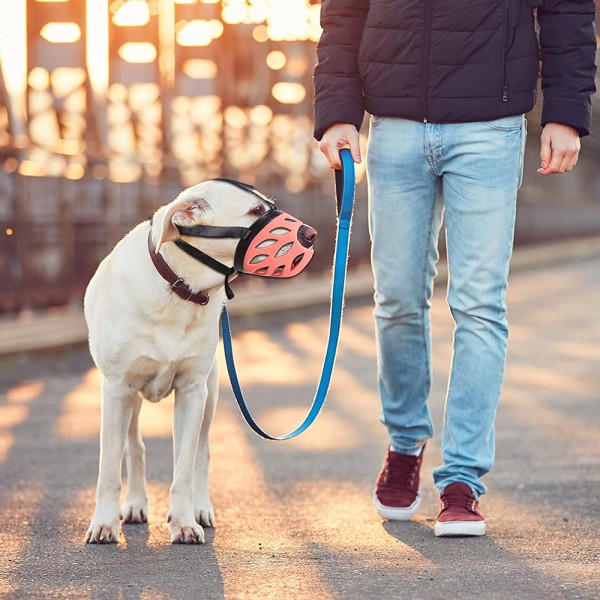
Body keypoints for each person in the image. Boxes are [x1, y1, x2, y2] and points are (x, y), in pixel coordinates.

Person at [313, 0, 597, 537]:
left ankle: (462, 480)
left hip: (490, 127)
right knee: (395, 299)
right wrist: (336, 112)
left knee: (479, 304)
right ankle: (404, 443)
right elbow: (343, 15)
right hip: (394, 127)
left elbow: (567, 11)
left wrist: (565, 111)